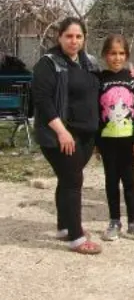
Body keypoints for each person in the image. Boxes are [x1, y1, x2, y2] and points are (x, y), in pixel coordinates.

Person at [32, 17, 103, 254]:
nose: (74, 41)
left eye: (78, 36)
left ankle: (65, 226)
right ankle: (76, 238)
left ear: (84, 39)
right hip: (59, 136)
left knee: (67, 179)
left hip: (85, 135)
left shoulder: (89, 62)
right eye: (69, 36)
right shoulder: (48, 63)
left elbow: (102, 87)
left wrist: (128, 72)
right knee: (73, 181)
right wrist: (62, 132)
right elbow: (42, 101)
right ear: (59, 37)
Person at [97, 34, 134, 243]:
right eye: (112, 53)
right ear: (105, 55)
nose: (117, 57)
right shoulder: (99, 79)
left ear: (127, 55)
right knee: (111, 181)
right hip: (107, 141)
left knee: (130, 182)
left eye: (121, 53)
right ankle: (114, 221)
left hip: (129, 142)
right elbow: (96, 112)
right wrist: (96, 143)